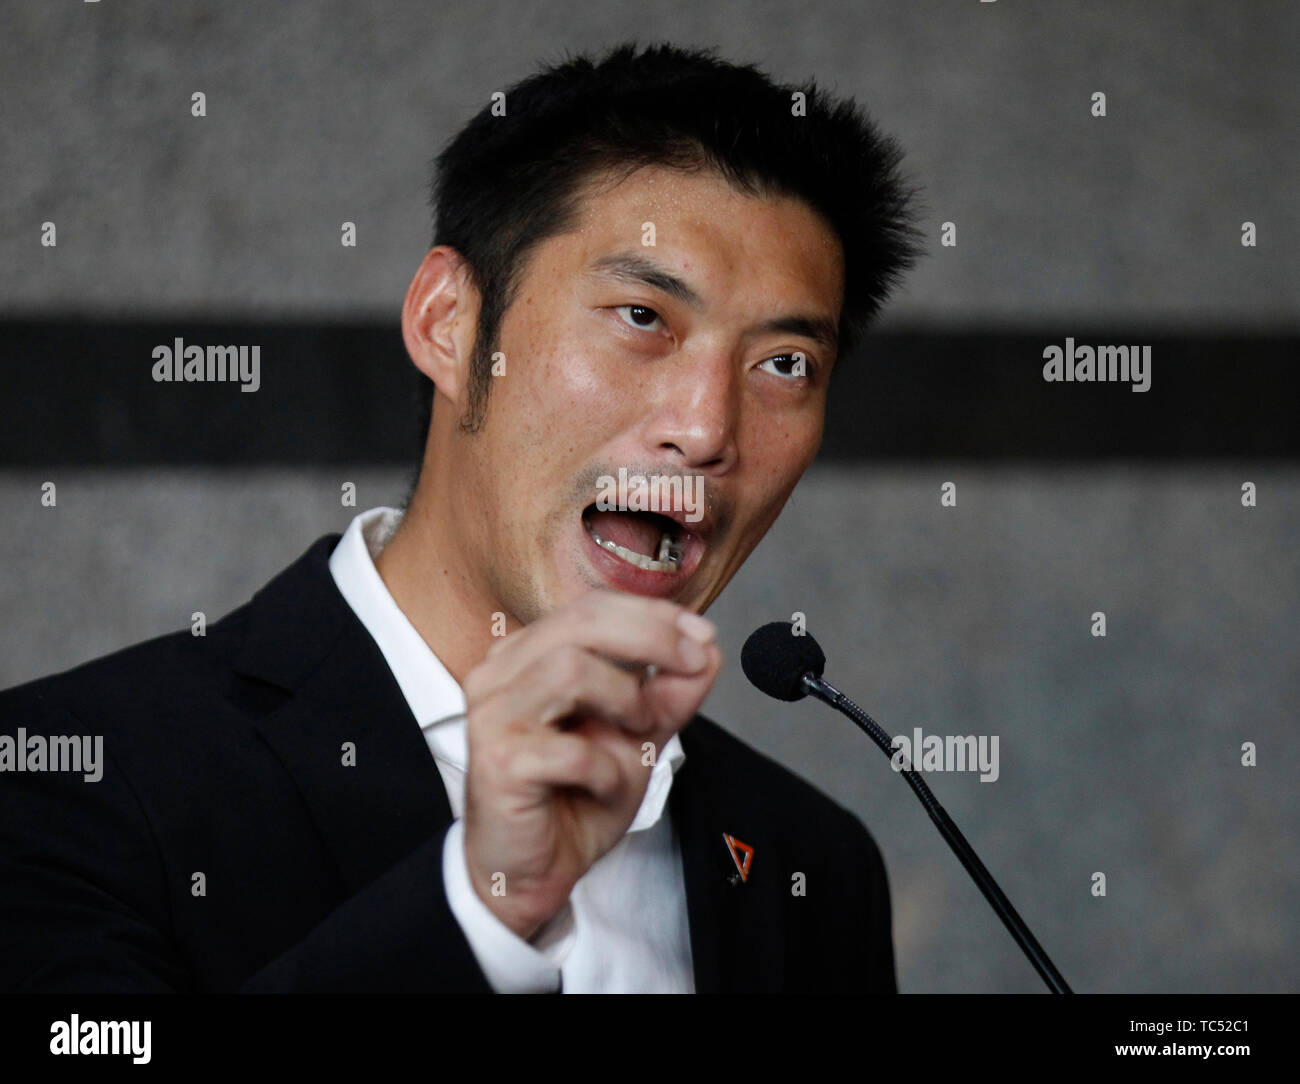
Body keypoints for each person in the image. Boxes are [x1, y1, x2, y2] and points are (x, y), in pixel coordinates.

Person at [0, 40, 921, 993]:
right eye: (642, 317)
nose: (704, 428)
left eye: (784, 364)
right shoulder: (68, 778)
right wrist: (480, 908)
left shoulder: (814, 867)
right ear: (450, 322)